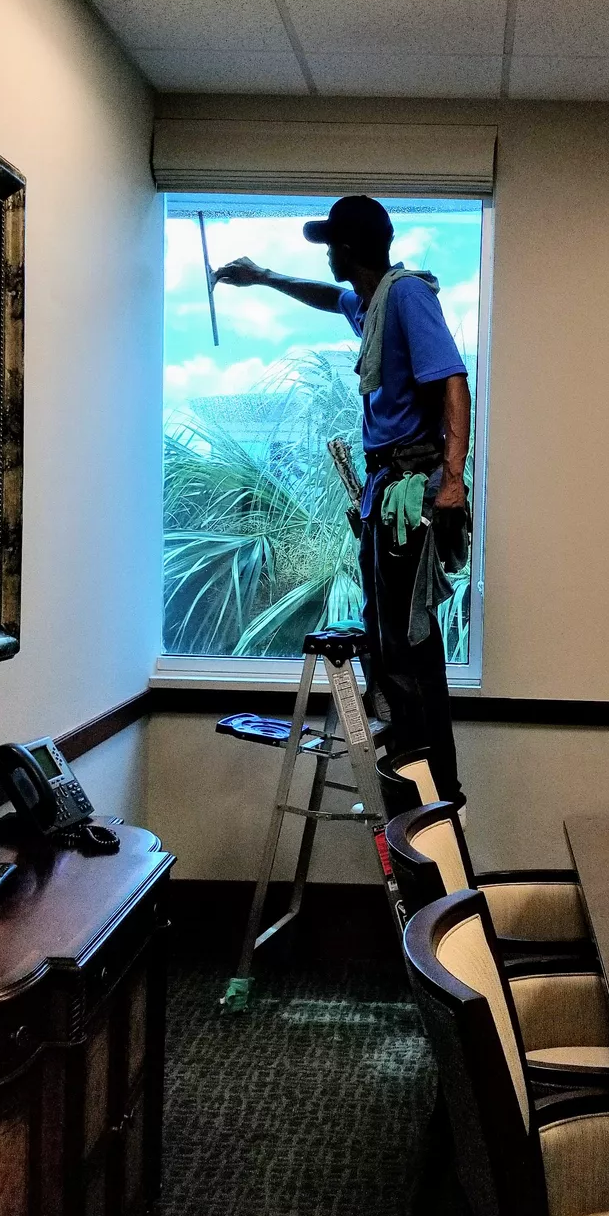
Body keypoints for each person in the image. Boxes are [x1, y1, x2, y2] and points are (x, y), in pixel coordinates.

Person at [214, 195, 469, 806]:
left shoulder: (407, 297)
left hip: (412, 490)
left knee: (409, 642)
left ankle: (432, 793)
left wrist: (454, 479)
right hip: (386, 493)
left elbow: (452, 380)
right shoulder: (374, 302)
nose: (326, 253)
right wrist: (265, 277)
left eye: (331, 244)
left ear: (348, 249)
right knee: (388, 640)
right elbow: (333, 298)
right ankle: (409, 772)